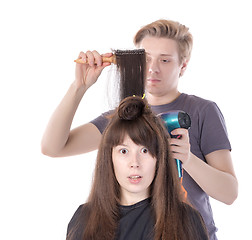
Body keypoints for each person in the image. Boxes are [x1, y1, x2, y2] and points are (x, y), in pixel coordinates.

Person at [41, 19, 238, 239]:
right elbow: (52, 147)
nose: (153, 68)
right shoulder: (125, 117)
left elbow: (229, 193)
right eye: (146, 59)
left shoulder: (203, 111)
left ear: (183, 65)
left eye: (165, 60)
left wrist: (187, 158)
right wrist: (79, 86)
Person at [66, 96, 209, 240]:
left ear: (159, 158)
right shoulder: (84, 220)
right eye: (124, 151)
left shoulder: (186, 220)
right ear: (109, 158)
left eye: (144, 151)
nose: (134, 163)